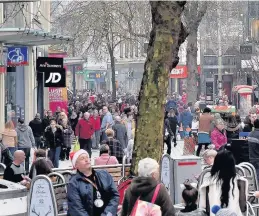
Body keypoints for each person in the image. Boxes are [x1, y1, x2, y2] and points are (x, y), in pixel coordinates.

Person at [67, 149, 119, 216]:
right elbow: (77, 209)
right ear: (76, 165)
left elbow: (114, 196)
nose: (86, 160)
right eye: (82, 158)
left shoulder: (104, 174)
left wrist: (107, 214)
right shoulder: (73, 183)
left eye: (87, 157)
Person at [199, 150, 247, 216]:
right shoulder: (240, 181)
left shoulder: (208, 182)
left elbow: (205, 207)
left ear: (216, 163)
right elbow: (243, 207)